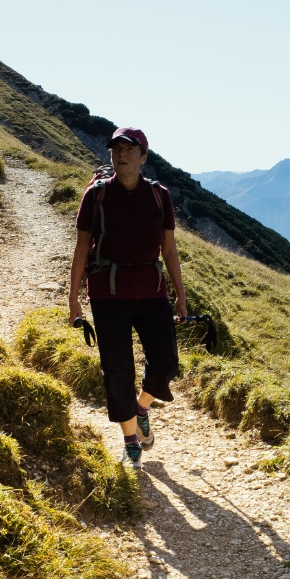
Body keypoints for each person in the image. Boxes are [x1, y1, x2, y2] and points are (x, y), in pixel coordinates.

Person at [68, 126, 188, 468]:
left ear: (143, 157)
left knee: (166, 362)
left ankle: (140, 408)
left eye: (129, 149)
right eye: (116, 149)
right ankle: (131, 440)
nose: (121, 154)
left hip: (152, 291)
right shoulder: (96, 195)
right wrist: (73, 298)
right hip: (108, 294)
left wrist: (180, 296)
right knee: (117, 369)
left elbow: (169, 249)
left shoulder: (159, 196)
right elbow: (81, 249)